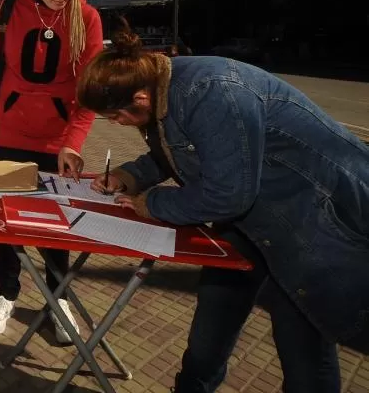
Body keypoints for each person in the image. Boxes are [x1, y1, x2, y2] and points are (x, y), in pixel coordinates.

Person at [76, 22, 369, 393]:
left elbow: (227, 194)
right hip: (251, 222)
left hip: (316, 224)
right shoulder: (163, 88)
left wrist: (149, 202)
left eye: (115, 116)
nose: (117, 125)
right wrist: (128, 176)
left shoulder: (212, 92)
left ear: (140, 99)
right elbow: (176, 152)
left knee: (302, 345)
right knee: (211, 326)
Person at [0, 0, 104, 341]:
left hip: (57, 139)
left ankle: (57, 299)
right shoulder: (8, 9)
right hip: (11, 132)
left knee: (55, 225)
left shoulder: (86, 17)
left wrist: (73, 143)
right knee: (9, 219)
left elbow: (89, 91)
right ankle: (6, 292)